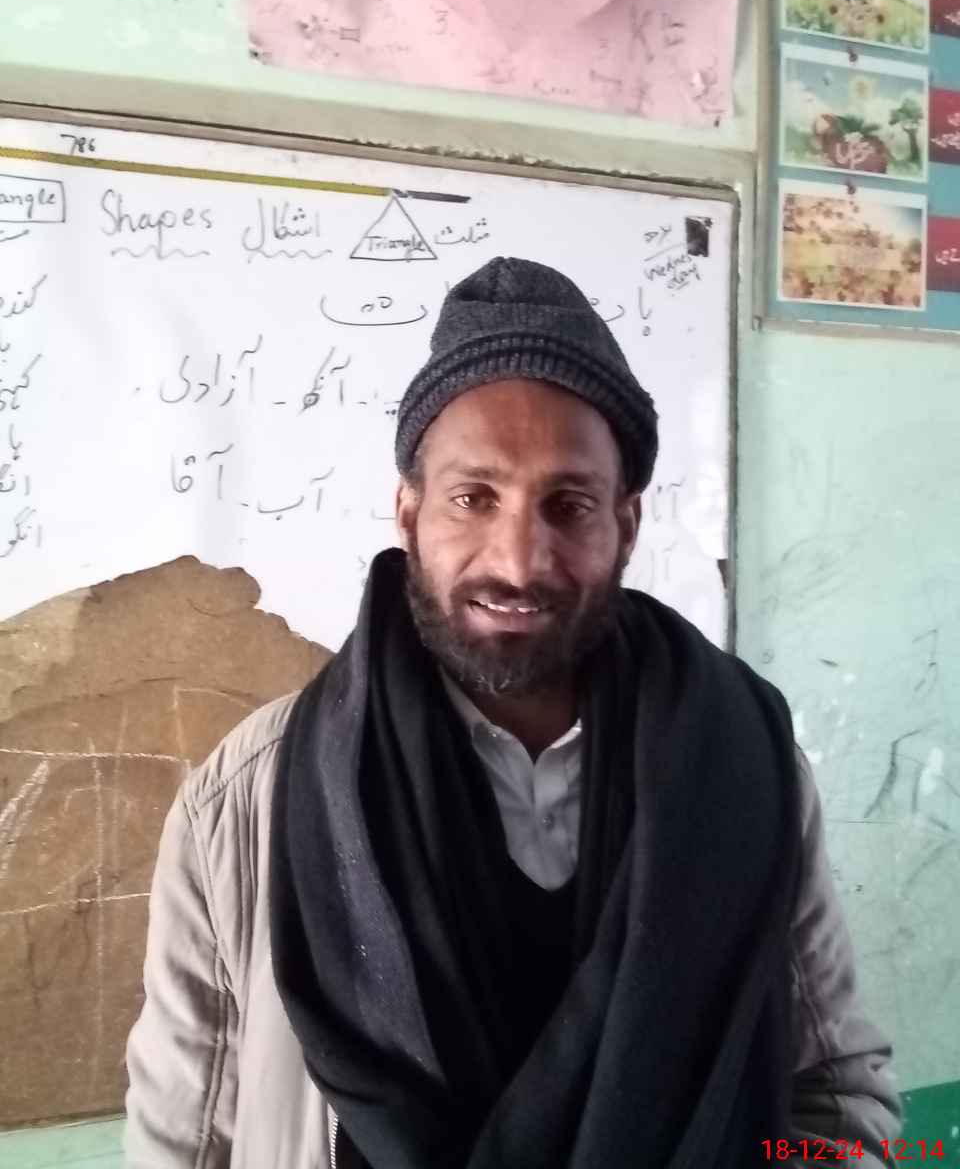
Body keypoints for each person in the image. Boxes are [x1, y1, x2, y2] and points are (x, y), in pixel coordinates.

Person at [125, 257, 900, 1168]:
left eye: (569, 506)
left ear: (626, 525)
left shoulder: (745, 767)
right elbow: (187, 1138)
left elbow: (837, 1097)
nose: (520, 560)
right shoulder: (244, 800)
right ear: (408, 511)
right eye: (473, 498)